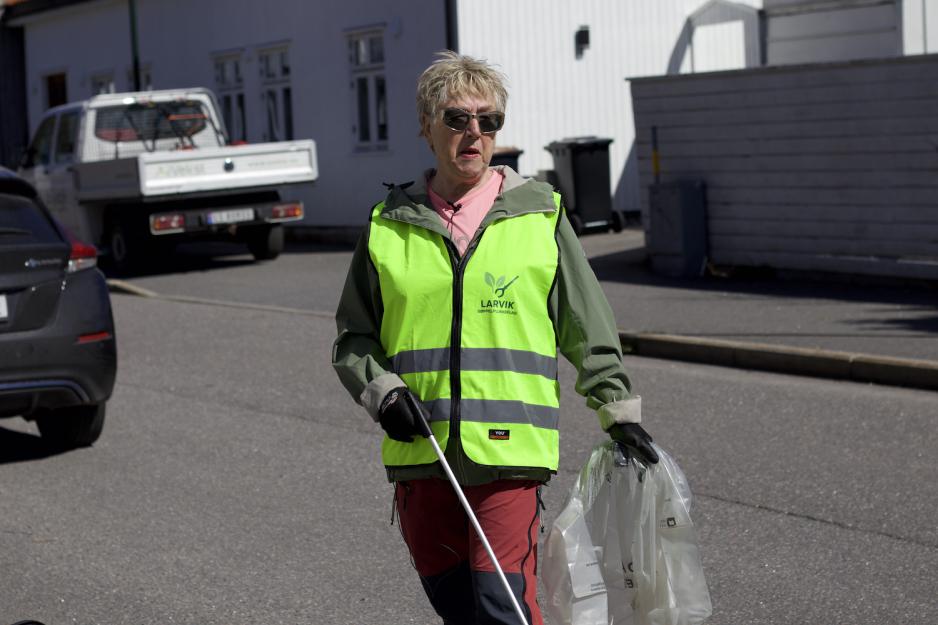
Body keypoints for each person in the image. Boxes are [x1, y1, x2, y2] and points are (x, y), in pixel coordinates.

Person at [332, 50, 658, 625]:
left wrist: (617, 409)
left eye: (489, 121)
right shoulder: (388, 223)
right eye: (456, 119)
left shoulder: (539, 216)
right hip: (422, 455)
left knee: (501, 606)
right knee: (457, 608)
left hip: (510, 457)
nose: (473, 134)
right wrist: (382, 393)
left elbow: (586, 322)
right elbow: (354, 337)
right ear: (426, 126)